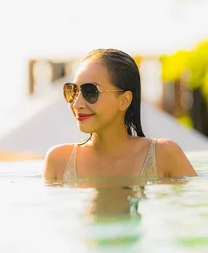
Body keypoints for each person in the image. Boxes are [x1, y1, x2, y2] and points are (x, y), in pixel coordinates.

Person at [43, 49, 197, 181]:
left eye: (90, 91)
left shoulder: (163, 155)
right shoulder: (58, 161)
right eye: (73, 91)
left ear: (124, 100)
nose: (76, 104)